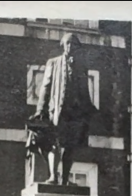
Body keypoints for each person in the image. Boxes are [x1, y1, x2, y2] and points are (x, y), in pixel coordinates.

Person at [29, 32, 98, 185]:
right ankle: (53, 177)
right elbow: (45, 88)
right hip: (58, 112)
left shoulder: (81, 66)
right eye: (67, 43)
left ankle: (65, 179)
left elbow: (84, 89)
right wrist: (40, 110)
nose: (70, 47)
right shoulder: (53, 63)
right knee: (55, 143)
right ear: (63, 45)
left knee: (70, 147)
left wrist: (89, 108)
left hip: (76, 113)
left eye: (73, 44)